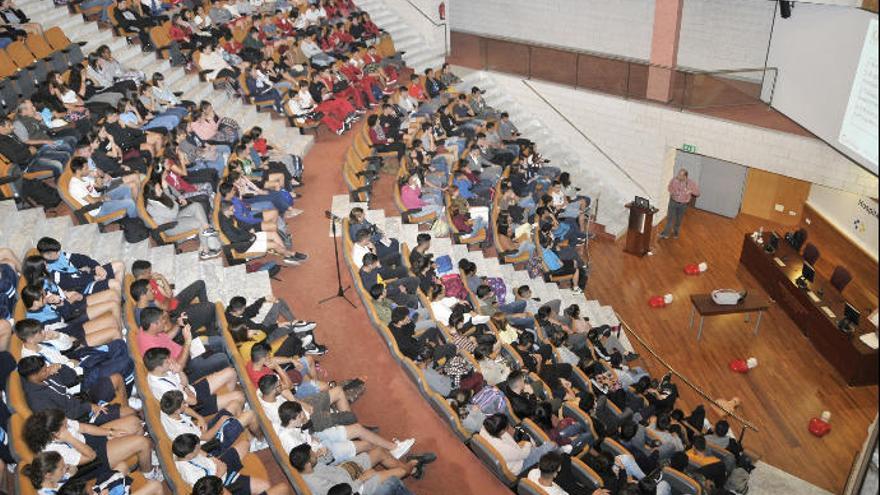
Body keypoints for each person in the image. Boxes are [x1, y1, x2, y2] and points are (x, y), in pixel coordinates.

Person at [23, 408, 160, 481]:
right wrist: (70, 438)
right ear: (55, 434)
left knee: (134, 422)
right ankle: (148, 472)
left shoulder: (55, 421)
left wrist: (110, 432)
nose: (67, 424)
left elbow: (84, 428)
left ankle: (143, 456)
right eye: (65, 425)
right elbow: (90, 456)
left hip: (88, 440)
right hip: (91, 460)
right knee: (143, 443)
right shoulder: (53, 451)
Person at [289, 443, 419, 495]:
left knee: (379, 451)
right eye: (312, 455)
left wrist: (325, 452)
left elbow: (328, 461)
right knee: (398, 474)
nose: (314, 454)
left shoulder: (309, 466)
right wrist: (362, 478)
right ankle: (413, 466)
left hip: (345, 471)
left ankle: (412, 470)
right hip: (356, 488)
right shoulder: (315, 484)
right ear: (307, 464)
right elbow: (344, 492)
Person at [479, 413, 562, 476]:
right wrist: (527, 443)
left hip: (516, 454)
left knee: (538, 445)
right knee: (552, 445)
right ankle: (562, 455)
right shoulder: (501, 447)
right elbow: (523, 454)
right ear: (501, 431)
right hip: (520, 465)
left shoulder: (485, 427)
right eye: (506, 427)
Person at [660, 168, 700, 240]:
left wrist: (690, 191)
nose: (678, 176)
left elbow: (697, 193)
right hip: (673, 202)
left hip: (683, 205)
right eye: (678, 174)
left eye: (680, 175)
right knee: (670, 218)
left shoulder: (691, 183)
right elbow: (669, 187)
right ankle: (665, 233)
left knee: (678, 219)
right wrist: (673, 192)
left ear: (685, 176)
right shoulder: (674, 180)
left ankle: (676, 232)